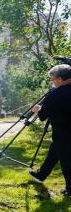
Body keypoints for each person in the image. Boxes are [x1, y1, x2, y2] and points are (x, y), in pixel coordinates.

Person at [28, 64, 71, 197]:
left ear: (60, 79)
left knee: (66, 159)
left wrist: (37, 109)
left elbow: (43, 115)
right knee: (55, 150)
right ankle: (41, 175)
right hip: (65, 131)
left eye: (53, 79)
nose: (52, 82)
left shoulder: (55, 94)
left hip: (64, 131)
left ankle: (70, 189)